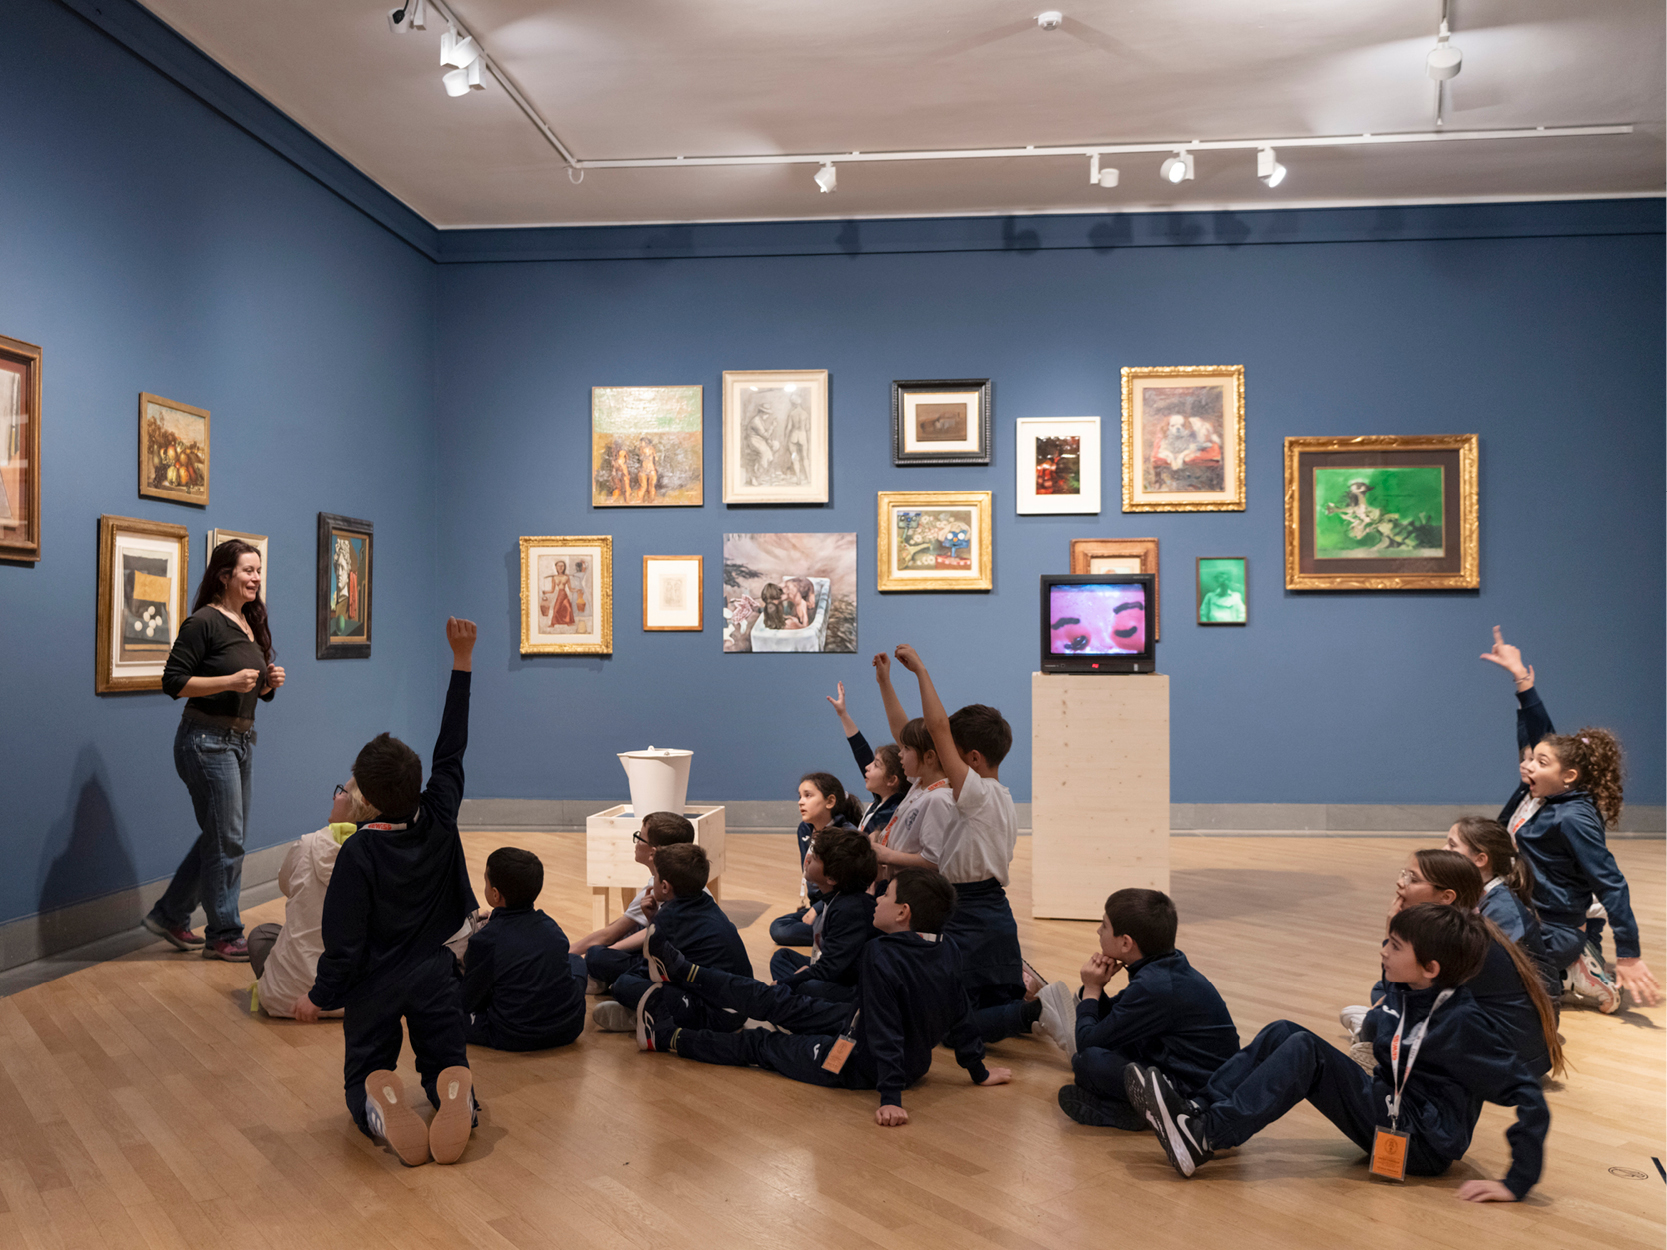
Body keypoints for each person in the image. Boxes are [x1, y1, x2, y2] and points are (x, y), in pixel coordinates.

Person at [1130, 904, 1551, 1202]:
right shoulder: (1409, 990)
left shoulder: (1464, 1024)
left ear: (1431, 969)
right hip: (1394, 1109)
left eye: (1395, 946)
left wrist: (1516, 1183)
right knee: (1283, 1031)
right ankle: (1196, 1110)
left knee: (1305, 1052)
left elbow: (1530, 1096)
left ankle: (1204, 1137)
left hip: (1421, 1142)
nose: (1383, 951)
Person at [294, 617, 479, 1168]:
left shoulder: (358, 853)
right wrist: (462, 660)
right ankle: (457, 1095)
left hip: (375, 983)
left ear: (367, 798)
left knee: (366, 1069)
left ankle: (376, 1104)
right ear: (417, 780)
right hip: (436, 972)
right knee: (445, 1056)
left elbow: (344, 943)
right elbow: (452, 748)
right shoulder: (440, 812)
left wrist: (320, 996)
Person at [638, 868, 1013, 1126]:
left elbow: (886, 1028)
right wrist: (977, 1070)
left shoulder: (881, 953)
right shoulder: (946, 948)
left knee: (760, 1044)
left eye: (886, 895)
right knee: (774, 999)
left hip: (860, 1064)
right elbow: (961, 1014)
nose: (877, 899)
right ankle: (684, 971)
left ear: (903, 913)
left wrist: (890, 1099)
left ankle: (668, 1038)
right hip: (861, 1030)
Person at [1479, 627, 1658, 1010]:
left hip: (1554, 924)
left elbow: (1611, 883)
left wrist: (1629, 954)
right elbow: (1541, 735)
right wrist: (1522, 680)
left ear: (1568, 776)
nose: (1527, 765)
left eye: (1539, 762)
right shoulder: (1540, 790)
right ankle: (1571, 959)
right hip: (1534, 909)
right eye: (1530, 758)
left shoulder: (1574, 816)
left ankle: (1577, 966)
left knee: (1491, 967)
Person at [144, 539, 286, 962]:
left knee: (221, 836)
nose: (256, 578)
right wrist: (229, 681)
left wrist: (267, 685)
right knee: (228, 839)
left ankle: (170, 914)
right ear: (225, 576)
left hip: (240, 741)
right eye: (247, 570)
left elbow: (250, 690)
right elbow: (173, 682)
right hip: (205, 742)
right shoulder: (204, 621)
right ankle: (224, 933)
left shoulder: (248, 622)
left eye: (258, 570)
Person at [892, 644, 1038, 1044]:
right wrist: (887, 681)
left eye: (950, 754)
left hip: (970, 911)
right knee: (979, 1005)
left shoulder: (977, 793)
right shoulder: (1002, 796)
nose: (942, 758)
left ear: (972, 758)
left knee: (947, 1026)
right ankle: (1030, 1009)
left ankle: (1035, 1012)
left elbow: (937, 727)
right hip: (993, 912)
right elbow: (916, 733)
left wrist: (921, 671)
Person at [1036, 889, 1238, 1130]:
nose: (1098, 931)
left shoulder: (1156, 986)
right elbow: (1114, 1021)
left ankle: (1141, 1113)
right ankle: (1128, 1110)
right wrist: (1098, 989)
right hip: (1183, 1068)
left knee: (1087, 1062)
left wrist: (1091, 990)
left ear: (1126, 943)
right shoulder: (1164, 967)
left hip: (1196, 1091)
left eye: (1104, 925)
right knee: (1103, 1054)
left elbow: (1086, 1043)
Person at [1372, 850, 1563, 1079]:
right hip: (1519, 1055)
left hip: (1506, 1065)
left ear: (1446, 897)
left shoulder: (1450, 940)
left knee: (1379, 1020)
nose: (1400, 883)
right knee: (1381, 1009)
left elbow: (1399, 993)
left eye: (1413, 878)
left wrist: (1391, 933)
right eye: (1404, 874)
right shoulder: (1464, 925)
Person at [247, 779, 374, 1018]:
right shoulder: (381, 853)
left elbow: (286, 885)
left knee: (261, 935)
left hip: (287, 1000)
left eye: (342, 792)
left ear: (358, 803)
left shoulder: (308, 845)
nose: (335, 796)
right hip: (357, 1000)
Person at [591, 843, 751, 1031]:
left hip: (718, 1016)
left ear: (665, 886)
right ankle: (646, 1012)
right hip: (739, 1006)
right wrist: (653, 919)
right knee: (626, 974)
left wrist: (655, 923)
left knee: (623, 985)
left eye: (655, 877)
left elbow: (653, 970)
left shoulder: (671, 918)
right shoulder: (704, 901)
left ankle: (648, 1017)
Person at [462, 847, 586, 1052]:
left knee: (445, 1013)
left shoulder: (485, 940)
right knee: (576, 961)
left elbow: (470, 1000)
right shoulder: (550, 925)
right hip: (569, 1028)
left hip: (513, 1035)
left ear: (495, 894)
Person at [571, 810, 697, 980]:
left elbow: (609, 935)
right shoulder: (688, 878)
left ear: (653, 853)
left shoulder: (658, 888)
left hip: (678, 963)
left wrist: (566, 955)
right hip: (680, 955)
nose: (636, 843)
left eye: (640, 838)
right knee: (629, 930)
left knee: (597, 956)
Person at [1445, 817, 1559, 998]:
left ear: (1480, 859)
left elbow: (1489, 968)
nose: (1444, 850)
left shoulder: (1502, 910)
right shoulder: (1472, 893)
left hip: (1528, 1003)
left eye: (1452, 845)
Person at [769, 828, 880, 1001]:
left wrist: (789, 981)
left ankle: (800, 1005)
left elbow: (830, 969)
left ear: (832, 878)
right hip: (835, 971)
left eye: (814, 858)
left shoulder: (850, 910)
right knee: (782, 957)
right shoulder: (836, 898)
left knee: (804, 986)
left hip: (852, 985)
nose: (807, 860)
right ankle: (797, 1002)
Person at [766, 773, 862, 949]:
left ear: (830, 801)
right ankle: (832, 930)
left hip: (840, 905)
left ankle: (838, 931)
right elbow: (810, 871)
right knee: (778, 926)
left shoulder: (846, 835)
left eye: (808, 796)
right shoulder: (805, 829)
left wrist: (817, 909)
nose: (800, 802)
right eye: (800, 796)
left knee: (781, 931)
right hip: (819, 903)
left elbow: (850, 887)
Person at [824, 679, 910, 834]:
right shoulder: (881, 801)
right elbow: (861, 752)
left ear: (892, 780)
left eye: (876, 765)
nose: (867, 767)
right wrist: (843, 714)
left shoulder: (893, 812)